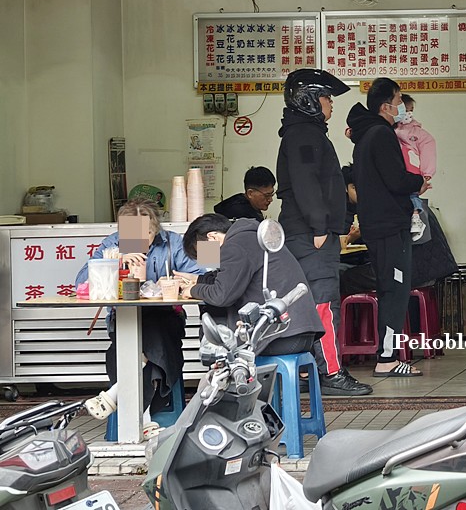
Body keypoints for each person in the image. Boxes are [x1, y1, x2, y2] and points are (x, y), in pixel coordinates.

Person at [276, 68, 371, 397]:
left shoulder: (305, 132)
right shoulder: (304, 134)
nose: (331, 104)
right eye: (327, 97)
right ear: (310, 100)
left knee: (312, 302)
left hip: (308, 231)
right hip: (309, 233)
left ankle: (313, 370)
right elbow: (306, 182)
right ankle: (330, 371)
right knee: (322, 302)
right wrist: (319, 226)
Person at [78, 199, 204, 426]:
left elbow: (204, 274)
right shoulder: (112, 245)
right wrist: (114, 263)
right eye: (131, 233)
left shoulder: (173, 243)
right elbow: (80, 282)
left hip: (167, 320)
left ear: (156, 228)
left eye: (145, 232)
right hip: (123, 321)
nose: (138, 240)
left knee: (145, 336)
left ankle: (116, 396)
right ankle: (144, 420)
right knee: (144, 350)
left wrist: (177, 281)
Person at [346, 77, 429, 377]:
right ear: (385, 106)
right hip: (389, 225)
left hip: (375, 224)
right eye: (397, 101)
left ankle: (387, 354)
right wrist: (419, 181)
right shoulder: (381, 135)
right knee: (395, 291)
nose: (401, 107)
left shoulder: (366, 134)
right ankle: (387, 358)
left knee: (388, 289)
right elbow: (395, 179)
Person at [179, 214, 324, 356]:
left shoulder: (235, 245)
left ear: (212, 237)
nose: (205, 259)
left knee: (214, 320)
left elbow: (221, 296)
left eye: (202, 252)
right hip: (298, 331)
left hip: (280, 336)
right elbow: (228, 277)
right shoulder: (249, 236)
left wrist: (193, 290)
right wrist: (198, 280)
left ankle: (225, 379)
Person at [394, 94, 437, 241]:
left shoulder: (418, 133)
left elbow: (428, 150)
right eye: (406, 109)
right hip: (396, 173)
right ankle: (415, 217)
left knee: (413, 195)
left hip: (411, 171)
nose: (408, 113)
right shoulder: (385, 128)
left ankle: (416, 218)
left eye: (411, 110)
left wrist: (427, 174)